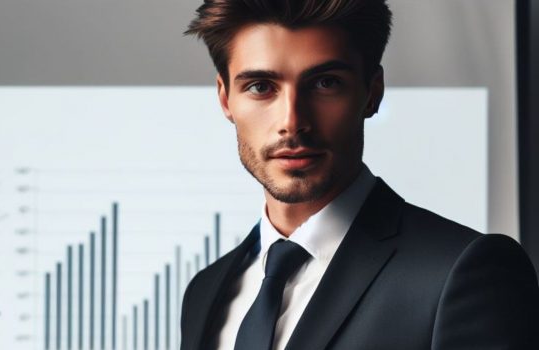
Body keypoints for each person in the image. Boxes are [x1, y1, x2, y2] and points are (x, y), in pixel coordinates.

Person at [179, 0, 539, 349]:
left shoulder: (462, 272)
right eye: (260, 87)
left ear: (372, 92)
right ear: (226, 99)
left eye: (325, 83)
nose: (291, 122)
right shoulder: (206, 291)